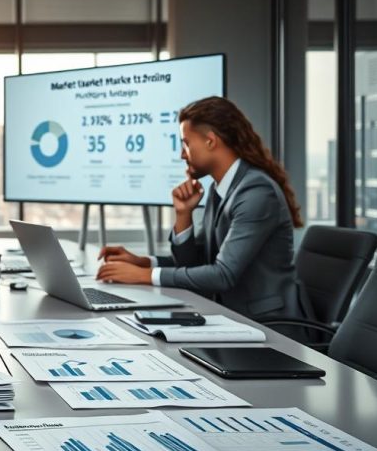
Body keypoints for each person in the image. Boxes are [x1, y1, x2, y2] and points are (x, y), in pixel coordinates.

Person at [97, 96, 303, 320]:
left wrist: (145, 275)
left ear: (211, 141)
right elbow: (197, 263)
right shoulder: (221, 188)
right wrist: (180, 219)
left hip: (269, 326)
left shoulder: (255, 192)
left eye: (186, 143)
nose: (182, 154)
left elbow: (222, 275)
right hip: (230, 316)